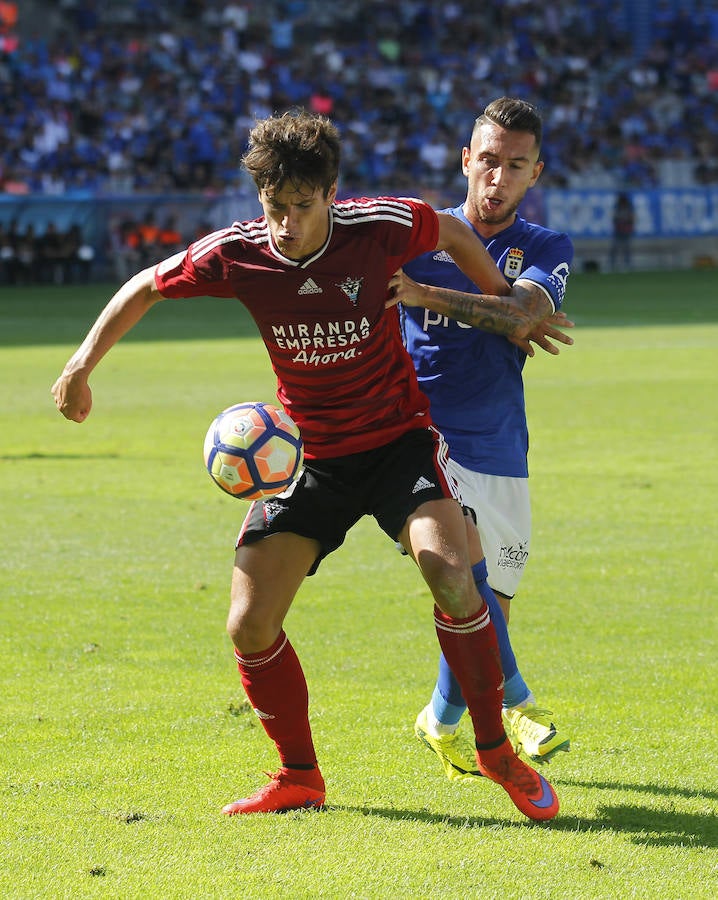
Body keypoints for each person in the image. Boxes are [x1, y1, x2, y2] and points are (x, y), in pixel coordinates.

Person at [51, 109, 560, 821]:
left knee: (451, 573)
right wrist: (80, 365)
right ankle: (299, 777)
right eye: (273, 207)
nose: (286, 224)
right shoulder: (238, 252)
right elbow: (146, 284)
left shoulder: (379, 226)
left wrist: (498, 299)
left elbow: (446, 230)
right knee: (248, 625)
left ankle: (493, 753)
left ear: (331, 193)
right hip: (310, 454)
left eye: (301, 206)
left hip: (397, 443)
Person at [389, 97, 574, 781]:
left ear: (535, 173)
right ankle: (518, 705)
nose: (497, 177)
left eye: (514, 166)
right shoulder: (417, 236)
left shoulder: (547, 248)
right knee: (463, 578)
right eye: (488, 161)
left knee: (486, 603)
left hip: (501, 444)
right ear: (466, 160)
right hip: (423, 440)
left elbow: (524, 313)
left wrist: (427, 298)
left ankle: (438, 720)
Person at [609, 191, 635, 271]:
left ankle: (627, 264)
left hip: (626, 230)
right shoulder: (617, 207)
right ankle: (612, 264)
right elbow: (614, 218)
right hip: (619, 230)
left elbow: (632, 218)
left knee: (626, 248)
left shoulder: (629, 207)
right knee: (615, 247)